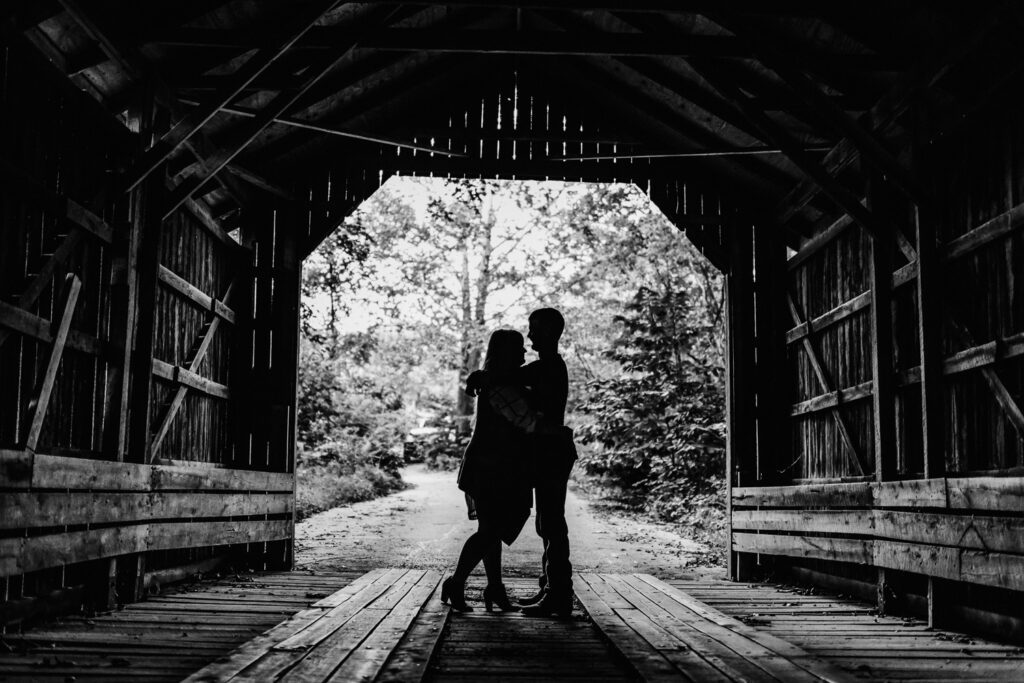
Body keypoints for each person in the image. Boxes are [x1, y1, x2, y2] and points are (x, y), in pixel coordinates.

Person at [466, 308, 575, 618]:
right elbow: (507, 375)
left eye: (534, 329)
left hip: (552, 452)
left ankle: (558, 594)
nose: (530, 335)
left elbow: (506, 375)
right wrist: (481, 376)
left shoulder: (548, 367)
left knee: (551, 524)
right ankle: (550, 587)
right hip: (548, 452)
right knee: (547, 523)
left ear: (550, 333)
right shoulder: (544, 367)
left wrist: (479, 376)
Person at [442, 329, 539, 613]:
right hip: (490, 467)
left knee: (490, 530)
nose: (524, 352)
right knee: (490, 530)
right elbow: (527, 423)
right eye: (519, 348)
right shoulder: (498, 386)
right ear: (506, 352)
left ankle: (494, 588)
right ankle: (456, 582)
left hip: (492, 466)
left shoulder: (495, 380)